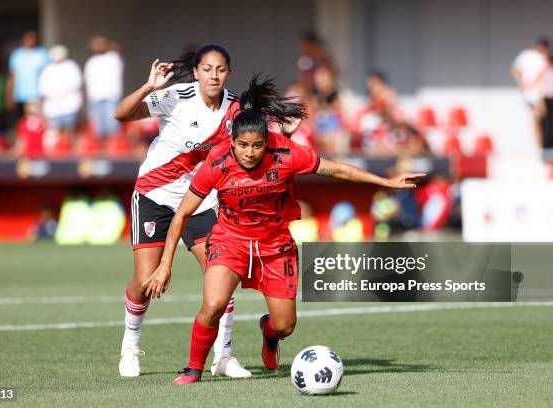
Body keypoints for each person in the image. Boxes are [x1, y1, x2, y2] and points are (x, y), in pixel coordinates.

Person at [142, 76, 424, 384]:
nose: (250, 152)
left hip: (275, 247)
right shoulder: (217, 164)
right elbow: (182, 214)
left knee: (285, 325)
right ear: (232, 142)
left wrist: (387, 182)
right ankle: (193, 369)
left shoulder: (287, 153)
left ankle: (269, 333)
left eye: (257, 146)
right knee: (213, 305)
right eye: (243, 145)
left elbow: (339, 169)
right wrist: (165, 265)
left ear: (267, 142)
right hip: (230, 240)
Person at [113, 44, 250, 379]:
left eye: (220, 69)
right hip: (154, 194)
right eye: (207, 69)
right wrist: (149, 86)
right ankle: (130, 345)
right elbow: (122, 114)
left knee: (221, 276)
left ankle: (223, 356)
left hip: (200, 200)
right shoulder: (176, 95)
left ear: (228, 73)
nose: (213, 75)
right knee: (145, 281)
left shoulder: (235, 108)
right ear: (197, 71)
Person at [38, 45, 83, 140]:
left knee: (69, 130)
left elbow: (75, 83)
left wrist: (61, 93)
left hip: (68, 105)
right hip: (53, 107)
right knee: (54, 132)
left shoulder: (71, 66)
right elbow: (43, 88)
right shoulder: (48, 69)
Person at [84, 36, 124, 138]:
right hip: (95, 98)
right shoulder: (92, 61)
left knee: (112, 126)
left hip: (110, 97)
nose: (97, 47)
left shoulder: (113, 57)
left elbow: (118, 48)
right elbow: (87, 81)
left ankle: (114, 151)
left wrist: (109, 46)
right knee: (98, 129)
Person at [6, 31, 49, 123]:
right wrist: (9, 94)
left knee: (36, 122)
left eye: (32, 38)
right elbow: (12, 75)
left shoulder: (42, 54)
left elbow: (48, 75)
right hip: (20, 95)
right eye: (27, 38)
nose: (29, 41)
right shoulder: (16, 55)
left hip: (36, 95)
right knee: (21, 123)